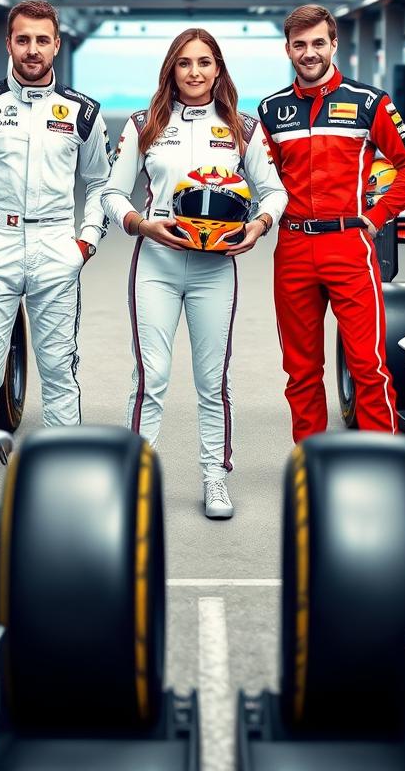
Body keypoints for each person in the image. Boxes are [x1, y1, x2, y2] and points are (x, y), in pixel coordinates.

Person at [0, 0, 110, 507]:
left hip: (58, 245)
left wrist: (87, 240)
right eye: (23, 39)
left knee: (59, 367)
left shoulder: (82, 111)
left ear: (57, 44)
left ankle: (63, 471)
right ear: (9, 43)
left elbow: (99, 181)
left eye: (42, 40)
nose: (33, 50)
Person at [102, 28, 287, 519]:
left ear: (219, 69)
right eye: (185, 63)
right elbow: (112, 194)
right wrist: (143, 225)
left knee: (213, 379)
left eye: (205, 63)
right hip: (156, 265)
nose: (195, 72)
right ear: (171, 70)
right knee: (152, 376)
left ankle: (214, 477)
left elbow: (274, 192)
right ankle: (137, 476)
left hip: (215, 269)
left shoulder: (243, 127)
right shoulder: (144, 124)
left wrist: (258, 227)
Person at [258, 4, 405, 442]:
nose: (309, 53)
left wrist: (374, 219)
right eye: (300, 45)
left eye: (318, 43)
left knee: (368, 364)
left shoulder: (370, 102)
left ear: (334, 44)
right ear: (288, 50)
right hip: (293, 249)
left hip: (349, 247)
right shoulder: (271, 110)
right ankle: (313, 463)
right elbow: (265, 180)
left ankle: (380, 463)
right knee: (300, 370)